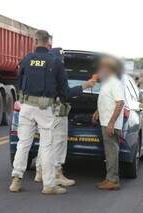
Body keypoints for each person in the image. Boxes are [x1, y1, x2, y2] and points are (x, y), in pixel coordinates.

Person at [9, 30, 69, 194]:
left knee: (23, 143)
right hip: (45, 107)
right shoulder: (55, 61)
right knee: (47, 146)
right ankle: (48, 185)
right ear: (48, 42)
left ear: (35, 41)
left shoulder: (27, 60)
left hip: (26, 106)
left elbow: (19, 81)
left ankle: (16, 179)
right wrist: (62, 100)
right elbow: (63, 87)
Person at [34, 48, 96, 187]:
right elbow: (66, 93)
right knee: (59, 142)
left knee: (45, 142)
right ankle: (56, 172)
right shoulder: (56, 72)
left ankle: (40, 171)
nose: (62, 62)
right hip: (57, 111)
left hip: (43, 111)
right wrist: (85, 85)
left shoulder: (42, 72)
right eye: (61, 59)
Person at [92, 56, 125, 190]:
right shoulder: (107, 83)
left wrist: (111, 123)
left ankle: (113, 180)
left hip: (111, 124)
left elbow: (120, 103)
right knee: (109, 152)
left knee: (112, 152)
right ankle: (109, 178)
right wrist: (97, 111)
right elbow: (107, 101)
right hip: (105, 121)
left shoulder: (115, 83)